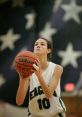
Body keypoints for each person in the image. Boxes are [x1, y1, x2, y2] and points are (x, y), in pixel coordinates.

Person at [16, 37, 66, 117]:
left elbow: (49, 94)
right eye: (36, 44)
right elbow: (19, 101)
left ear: (48, 50)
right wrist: (22, 79)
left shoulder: (57, 68)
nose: (38, 46)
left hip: (55, 114)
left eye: (42, 44)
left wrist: (39, 75)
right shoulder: (28, 70)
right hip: (34, 115)